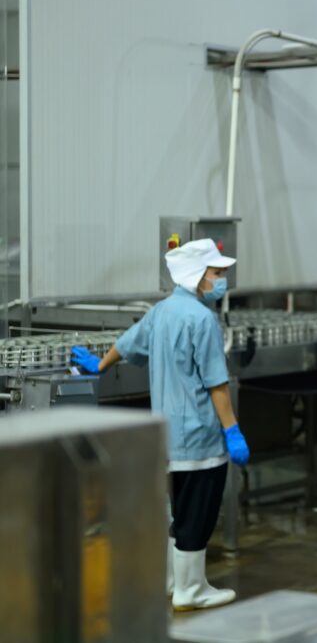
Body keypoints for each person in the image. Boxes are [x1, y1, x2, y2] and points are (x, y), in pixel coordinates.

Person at [71, 238, 250, 611]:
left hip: (166, 438)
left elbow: (128, 342)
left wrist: (99, 365)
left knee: (175, 513)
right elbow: (217, 385)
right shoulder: (202, 319)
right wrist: (232, 431)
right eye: (218, 273)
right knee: (197, 514)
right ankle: (192, 590)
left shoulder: (163, 311)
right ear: (198, 276)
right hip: (200, 437)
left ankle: (172, 583)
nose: (223, 281)